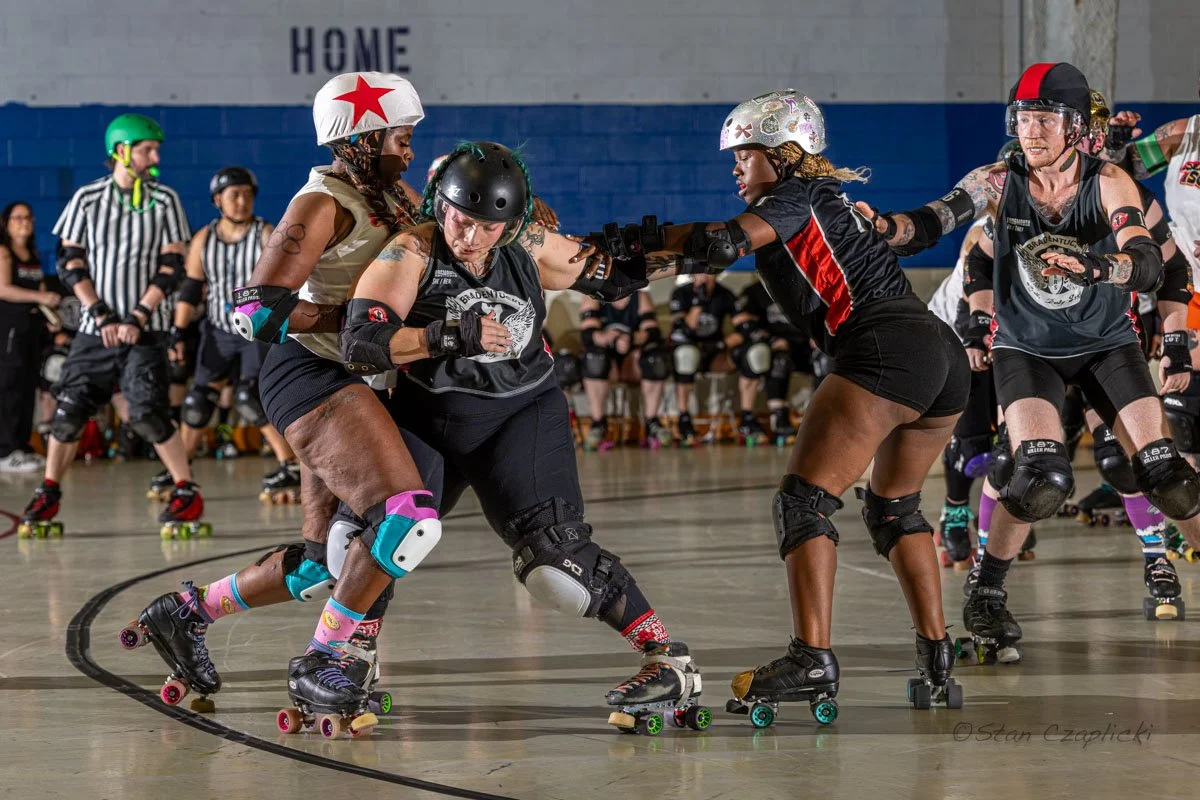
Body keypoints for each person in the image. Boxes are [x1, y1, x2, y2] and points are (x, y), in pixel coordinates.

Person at [585, 89, 971, 720]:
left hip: (883, 347)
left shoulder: (791, 198)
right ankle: (936, 653)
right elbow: (712, 245)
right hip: (938, 355)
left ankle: (811, 658)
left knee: (803, 502)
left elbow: (719, 244)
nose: (735, 168)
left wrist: (632, 245)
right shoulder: (815, 199)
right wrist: (636, 256)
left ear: (784, 153)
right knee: (895, 508)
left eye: (745, 156)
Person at [342, 141, 708, 735]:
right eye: (460, 218)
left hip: (520, 413)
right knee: (366, 540)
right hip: (426, 415)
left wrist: (705, 250)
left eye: (488, 226)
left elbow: (615, 275)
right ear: (441, 204)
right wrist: (443, 337)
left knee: (556, 563)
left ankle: (669, 660)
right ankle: (349, 656)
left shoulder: (527, 244)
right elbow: (360, 343)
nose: (470, 236)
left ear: (512, 223)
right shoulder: (412, 248)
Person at [861, 63, 1198, 662]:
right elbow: (941, 222)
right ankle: (986, 589)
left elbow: (1149, 263)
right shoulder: (999, 180)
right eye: (1022, 116)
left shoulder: (1110, 180)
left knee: (1166, 475)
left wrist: (1098, 270)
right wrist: (888, 228)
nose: (1030, 129)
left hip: (1106, 345)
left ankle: (1166, 559)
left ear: (1074, 125)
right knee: (1042, 476)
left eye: (1043, 117)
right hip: (1029, 349)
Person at [19, 114, 199, 539]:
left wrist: (137, 316)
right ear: (121, 151)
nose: (155, 157)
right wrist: (100, 314)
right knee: (68, 412)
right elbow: (69, 262)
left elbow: (172, 266)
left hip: (146, 329)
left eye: (155, 150)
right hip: (92, 329)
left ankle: (186, 490)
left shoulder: (164, 200)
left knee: (147, 413)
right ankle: (49, 490)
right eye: (146, 150)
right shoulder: (87, 198)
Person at [157, 166, 301, 503]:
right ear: (218, 200)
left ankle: (289, 464)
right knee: (197, 401)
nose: (242, 201)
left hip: (257, 331)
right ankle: (181, 468)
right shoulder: (203, 239)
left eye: (248, 194)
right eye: (234, 195)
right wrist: (177, 334)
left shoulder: (265, 233)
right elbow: (192, 290)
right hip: (218, 331)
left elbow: (284, 281)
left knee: (250, 398)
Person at [0, 202, 58, 472]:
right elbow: (4, 289)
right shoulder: (4, 252)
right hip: (9, 330)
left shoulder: (32, 253)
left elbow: (37, 284)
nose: (24, 222)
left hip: (31, 330)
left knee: (27, 390)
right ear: (7, 223)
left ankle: (21, 446)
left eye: (28, 217)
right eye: (18, 218)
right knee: (10, 389)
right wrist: (39, 296)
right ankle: (5, 450)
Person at [578, 290, 672, 450]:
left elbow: (653, 333)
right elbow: (587, 335)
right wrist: (607, 337)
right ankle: (598, 423)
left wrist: (631, 338)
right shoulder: (592, 296)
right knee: (595, 358)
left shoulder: (640, 297)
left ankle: (651, 422)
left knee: (656, 357)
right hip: (609, 364)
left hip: (632, 362)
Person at [734, 276, 813, 445]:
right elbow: (744, 324)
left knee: (828, 358)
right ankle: (778, 415)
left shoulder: (800, 287)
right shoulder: (754, 292)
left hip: (802, 346)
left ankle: (825, 417)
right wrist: (771, 340)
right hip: (773, 348)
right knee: (775, 359)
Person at [668, 275, 743, 445]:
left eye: (710, 274)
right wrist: (699, 302)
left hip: (714, 352)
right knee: (687, 355)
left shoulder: (724, 293)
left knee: (751, 354)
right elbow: (685, 329)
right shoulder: (681, 293)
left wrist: (721, 344)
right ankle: (683, 416)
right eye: (701, 273)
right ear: (694, 275)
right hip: (687, 349)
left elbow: (744, 328)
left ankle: (747, 418)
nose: (706, 278)